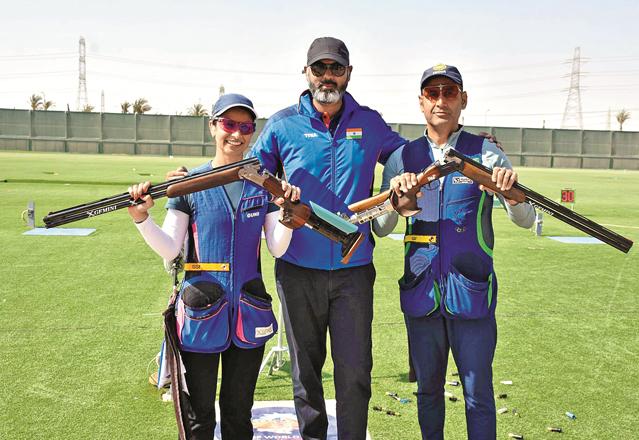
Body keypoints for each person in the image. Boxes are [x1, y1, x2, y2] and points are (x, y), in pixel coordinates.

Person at [251, 37, 407, 440]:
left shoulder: (369, 122)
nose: (327, 76)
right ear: (306, 74)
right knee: (306, 370)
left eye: (336, 68)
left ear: (348, 74)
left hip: (353, 271)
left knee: (355, 370)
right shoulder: (282, 124)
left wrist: (465, 142)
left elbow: (412, 156)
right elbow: (251, 176)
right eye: (319, 68)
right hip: (297, 268)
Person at [374, 64, 536, 440]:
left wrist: (508, 193)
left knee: (478, 395)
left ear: (463, 99)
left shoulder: (487, 154)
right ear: (421, 103)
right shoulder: (402, 158)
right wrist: (395, 203)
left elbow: (526, 219)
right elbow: (381, 229)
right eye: (433, 93)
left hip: (472, 293)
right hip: (421, 295)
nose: (441, 100)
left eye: (449, 92)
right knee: (427, 391)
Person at [127, 93, 300, 440]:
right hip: (199, 314)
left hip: (249, 312)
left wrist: (288, 215)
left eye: (246, 127)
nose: (236, 134)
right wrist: (142, 219)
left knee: (239, 414)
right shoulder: (188, 184)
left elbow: (277, 248)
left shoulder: (264, 183)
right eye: (229, 124)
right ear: (213, 127)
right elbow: (171, 246)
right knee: (198, 417)